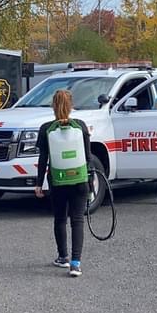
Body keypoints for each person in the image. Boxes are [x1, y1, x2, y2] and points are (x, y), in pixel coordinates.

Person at [35, 90, 92, 278]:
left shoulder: (45, 129)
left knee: (60, 219)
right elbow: (88, 157)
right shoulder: (81, 126)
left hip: (58, 180)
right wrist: (90, 181)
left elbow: (43, 158)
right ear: (71, 106)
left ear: (53, 106)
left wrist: (38, 184)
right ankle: (76, 264)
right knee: (77, 220)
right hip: (80, 179)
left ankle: (63, 257)